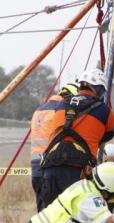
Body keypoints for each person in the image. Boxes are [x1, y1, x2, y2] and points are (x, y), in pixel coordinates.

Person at [40, 68, 114, 207]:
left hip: (50, 164)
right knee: (77, 217)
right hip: (78, 168)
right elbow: (108, 134)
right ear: (98, 89)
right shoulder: (104, 111)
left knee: (52, 216)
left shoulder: (60, 104)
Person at [30, 82, 79, 211]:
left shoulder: (38, 110)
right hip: (49, 164)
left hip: (35, 165)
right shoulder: (59, 110)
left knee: (42, 210)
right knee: (55, 210)